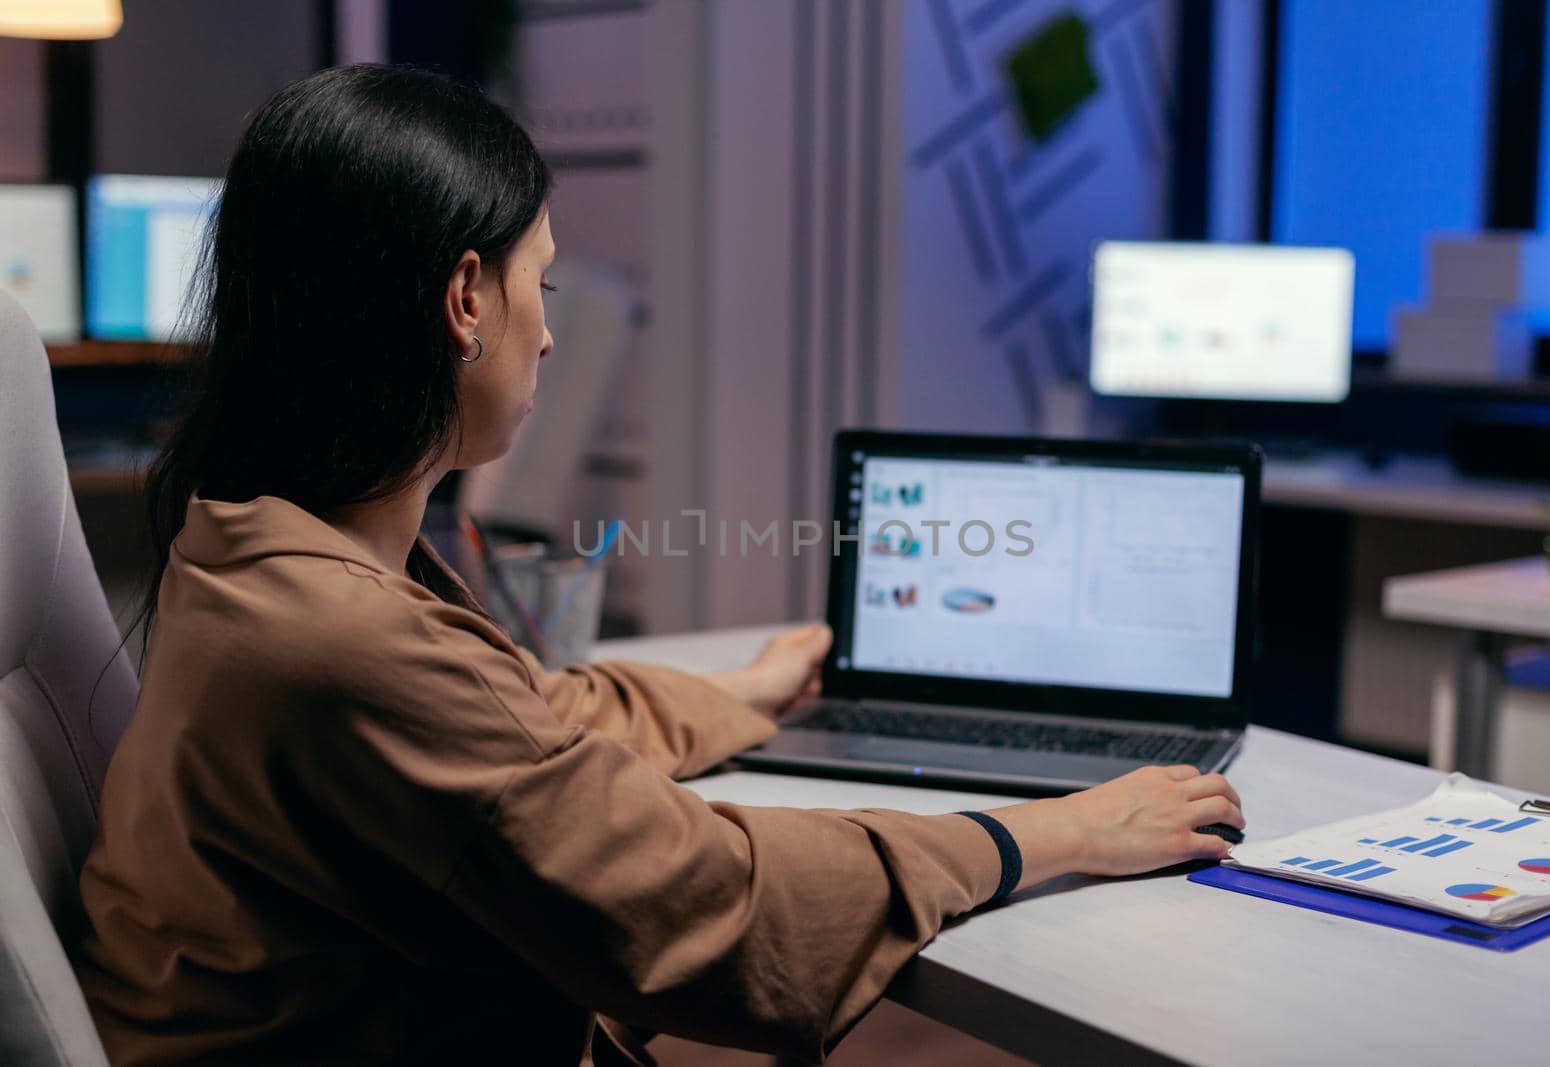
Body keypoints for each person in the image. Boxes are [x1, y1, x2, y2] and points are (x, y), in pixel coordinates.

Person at [75, 65, 1244, 1067]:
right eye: (541, 282)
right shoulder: (338, 636)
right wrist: (1052, 831)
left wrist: (733, 694)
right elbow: (702, 897)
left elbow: (518, 724)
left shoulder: (247, 545)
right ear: (465, 300)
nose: (546, 330)